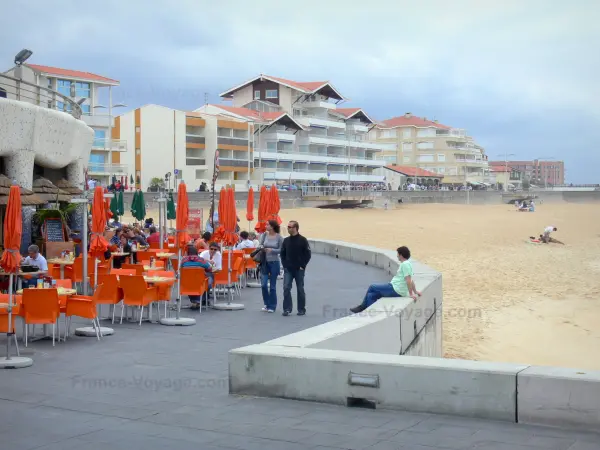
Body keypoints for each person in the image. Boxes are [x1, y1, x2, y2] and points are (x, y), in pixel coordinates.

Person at [350, 246, 421, 313]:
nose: (397, 256)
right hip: (395, 288)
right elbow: (411, 280)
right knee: (371, 295)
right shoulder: (408, 264)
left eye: (398, 254)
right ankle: (370, 312)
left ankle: (362, 307)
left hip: (395, 289)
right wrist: (415, 291)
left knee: (372, 287)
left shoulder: (405, 265)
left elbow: (408, 280)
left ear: (401, 255)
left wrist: (411, 294)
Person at [280, 220, 311, 316]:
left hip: (299, 269)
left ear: (295, 228)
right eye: (288, 227)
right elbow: (282, 254)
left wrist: (303, 266)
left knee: (300, 289)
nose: (288, 228)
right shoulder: (286, 241)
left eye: (290, 227)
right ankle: (287, 309)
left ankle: (301, 309)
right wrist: (284, 265)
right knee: (286, 288)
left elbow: (308, 254)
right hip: (288, 269)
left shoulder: (303, 240)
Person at [258, 220, 284, 313]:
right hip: (265, 262)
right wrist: (262, 248)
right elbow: (260, 245)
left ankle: (272, 306)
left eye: (268, 224)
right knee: (264, 284)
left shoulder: (279, 237)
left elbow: (282, 250)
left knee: (272, 286)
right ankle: (266, 303)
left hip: (274, 262)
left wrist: (272, 250)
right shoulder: (264, 235)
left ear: (272, 226)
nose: (266, 225)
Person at [181, 244, 213, 309]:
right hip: (199, 282)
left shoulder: (183, 261)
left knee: (191, 282)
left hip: (187, 283)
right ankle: (201, 300)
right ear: (197, 253)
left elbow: (181, 269)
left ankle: (194, 301)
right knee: (209, 278)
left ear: (187, 253)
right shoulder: (201, 260)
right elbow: (209, 269)